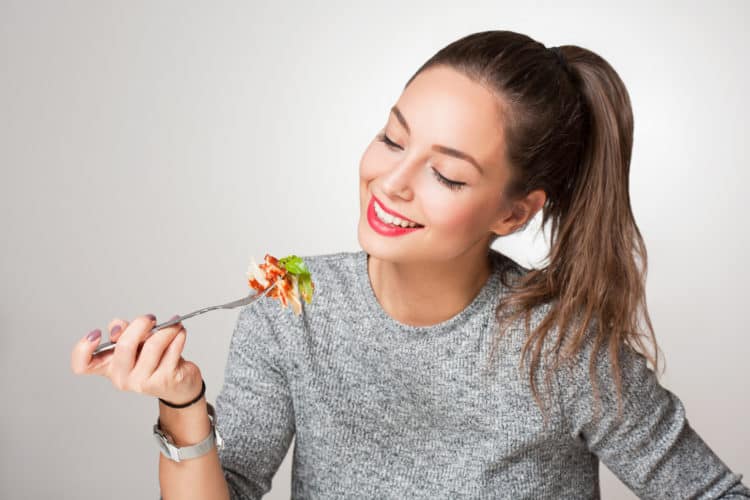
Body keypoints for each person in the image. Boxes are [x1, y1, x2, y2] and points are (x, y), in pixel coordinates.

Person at [71, 30, 750, 499]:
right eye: (392, 139)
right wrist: (182, 401)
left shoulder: (563, 348)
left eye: (447, 175)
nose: (391, 182)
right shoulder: (291, 310)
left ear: (513, 214)